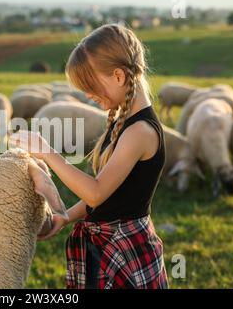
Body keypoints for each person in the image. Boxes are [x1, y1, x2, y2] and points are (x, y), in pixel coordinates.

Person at [9, 24, 169, 289]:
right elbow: (107, 196)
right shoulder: (123, 121)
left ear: (118, 76)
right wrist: (66, 217)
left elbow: (95, 192)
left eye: (90, 85)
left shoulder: (140, 131)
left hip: (126, 253)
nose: (87, 94)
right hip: (105, 246)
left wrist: (48, 152)